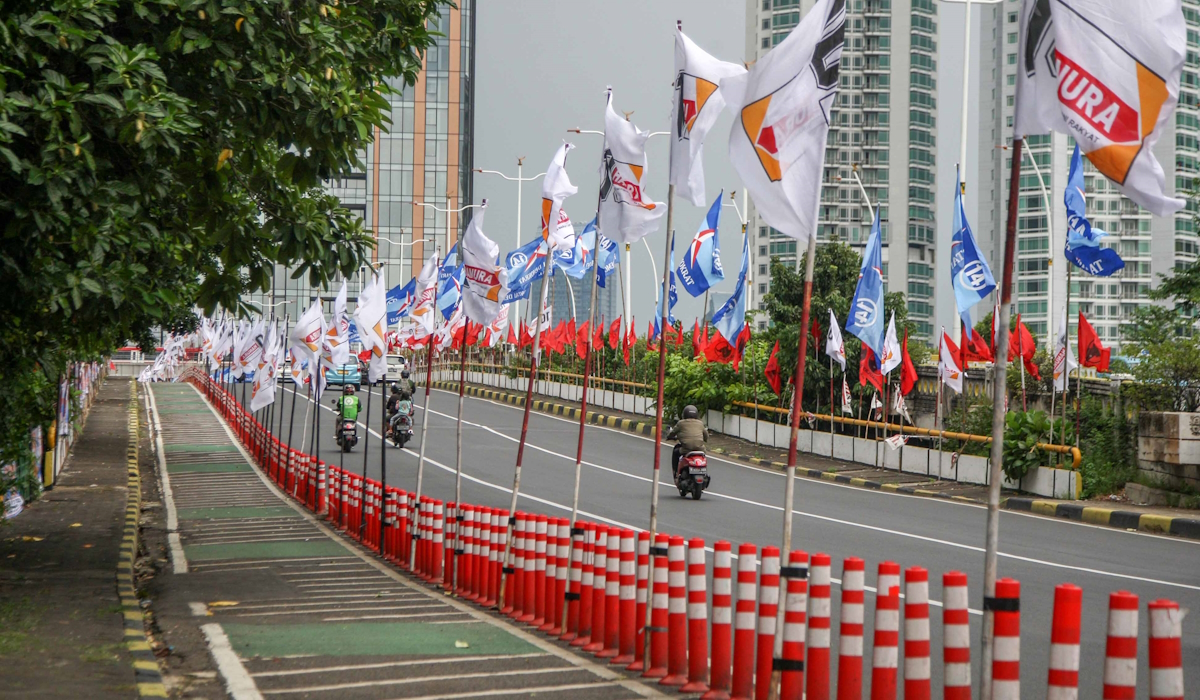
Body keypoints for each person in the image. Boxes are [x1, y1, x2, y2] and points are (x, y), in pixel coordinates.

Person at [666, 404, 708, 480]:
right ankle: (704, 473)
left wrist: (669, 436)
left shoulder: (681, 423)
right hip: (700, 449)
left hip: (686, 449)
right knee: (704, 457)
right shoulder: (700, 423)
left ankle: (676, 472)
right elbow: (706, 436)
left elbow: (672, 433)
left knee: (676, 452)